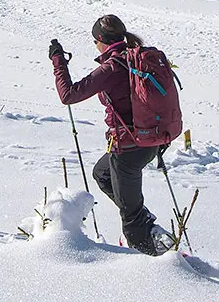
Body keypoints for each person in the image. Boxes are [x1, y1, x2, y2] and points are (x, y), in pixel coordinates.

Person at [48, 14, 180, 255]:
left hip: (128, 148)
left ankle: (150, 260)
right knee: (102, 173)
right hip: (149, 142)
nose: (95, 46)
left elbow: (69, 95)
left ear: (101, 40)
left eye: (95, 41)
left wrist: (58, 60)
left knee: (130, 217)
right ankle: (146, 223)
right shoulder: (136, 58)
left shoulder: (112, 67)